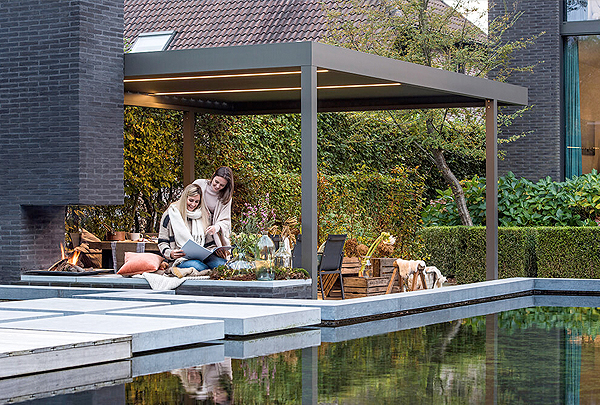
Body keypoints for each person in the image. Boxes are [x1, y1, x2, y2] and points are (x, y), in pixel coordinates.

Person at [158, 183, 227, 274]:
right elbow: (162, 242)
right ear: (184, 198)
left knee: (222, 265)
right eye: (191, 200)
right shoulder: (171, 214)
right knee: (198, 266)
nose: (193, 204)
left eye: (196, 201)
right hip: (180, 259)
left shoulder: (203, 215)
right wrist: (170, 253)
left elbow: (208, 243)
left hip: (202, 257)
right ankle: (210, 275)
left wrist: (214, 250)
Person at [193, 166, 234, 251]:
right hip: (195, 231)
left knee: (219, 263)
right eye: (216, 182)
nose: (217, 186)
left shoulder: (226, 197)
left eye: (222, 185)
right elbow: (187, 202)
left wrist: (216, 227)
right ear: (213, 176)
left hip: (212, 238)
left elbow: (225, 220)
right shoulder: (199, 184)